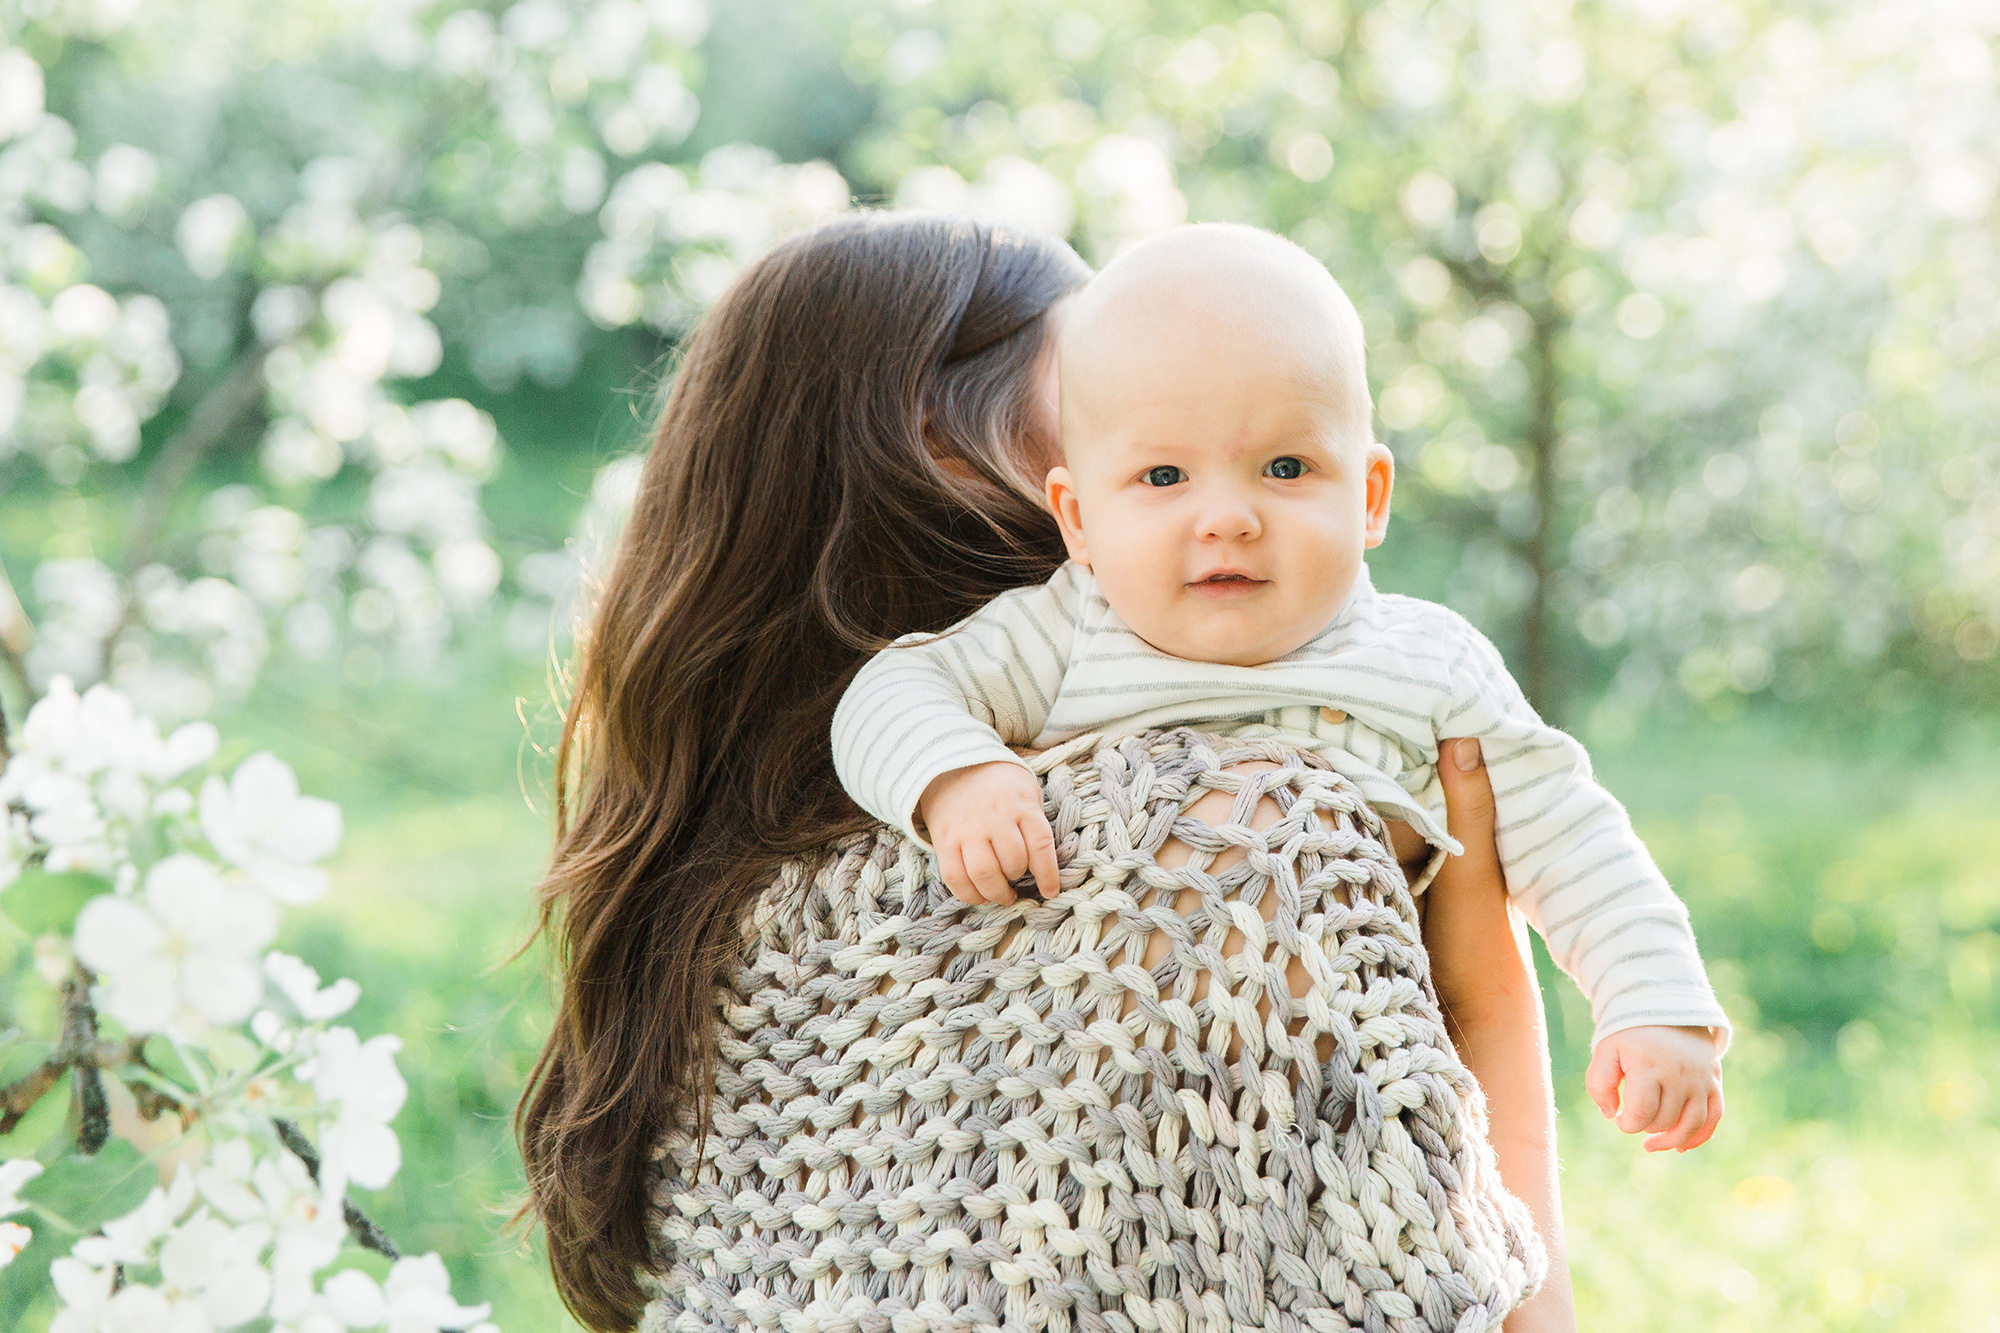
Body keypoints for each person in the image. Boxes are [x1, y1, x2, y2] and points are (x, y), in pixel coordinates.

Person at [516, 211, 1581, 1332]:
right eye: (1099, 379)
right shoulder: (1229, 838)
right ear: (942, 446)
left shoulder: (707, 917)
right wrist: (1484, 984)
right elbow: (1451, 1302)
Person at [832, 223, 1729, 1155]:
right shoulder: (1066, 629)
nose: (1227, 517)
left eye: (1286, 468)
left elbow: (1571, 830)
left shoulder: (1429, 663)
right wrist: (958, 776)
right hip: (1086, 1091)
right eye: (1164, 475)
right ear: (1079, 517)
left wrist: (1653, 1000)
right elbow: (891, 689)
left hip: (1348, 1106)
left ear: (1372, 495)